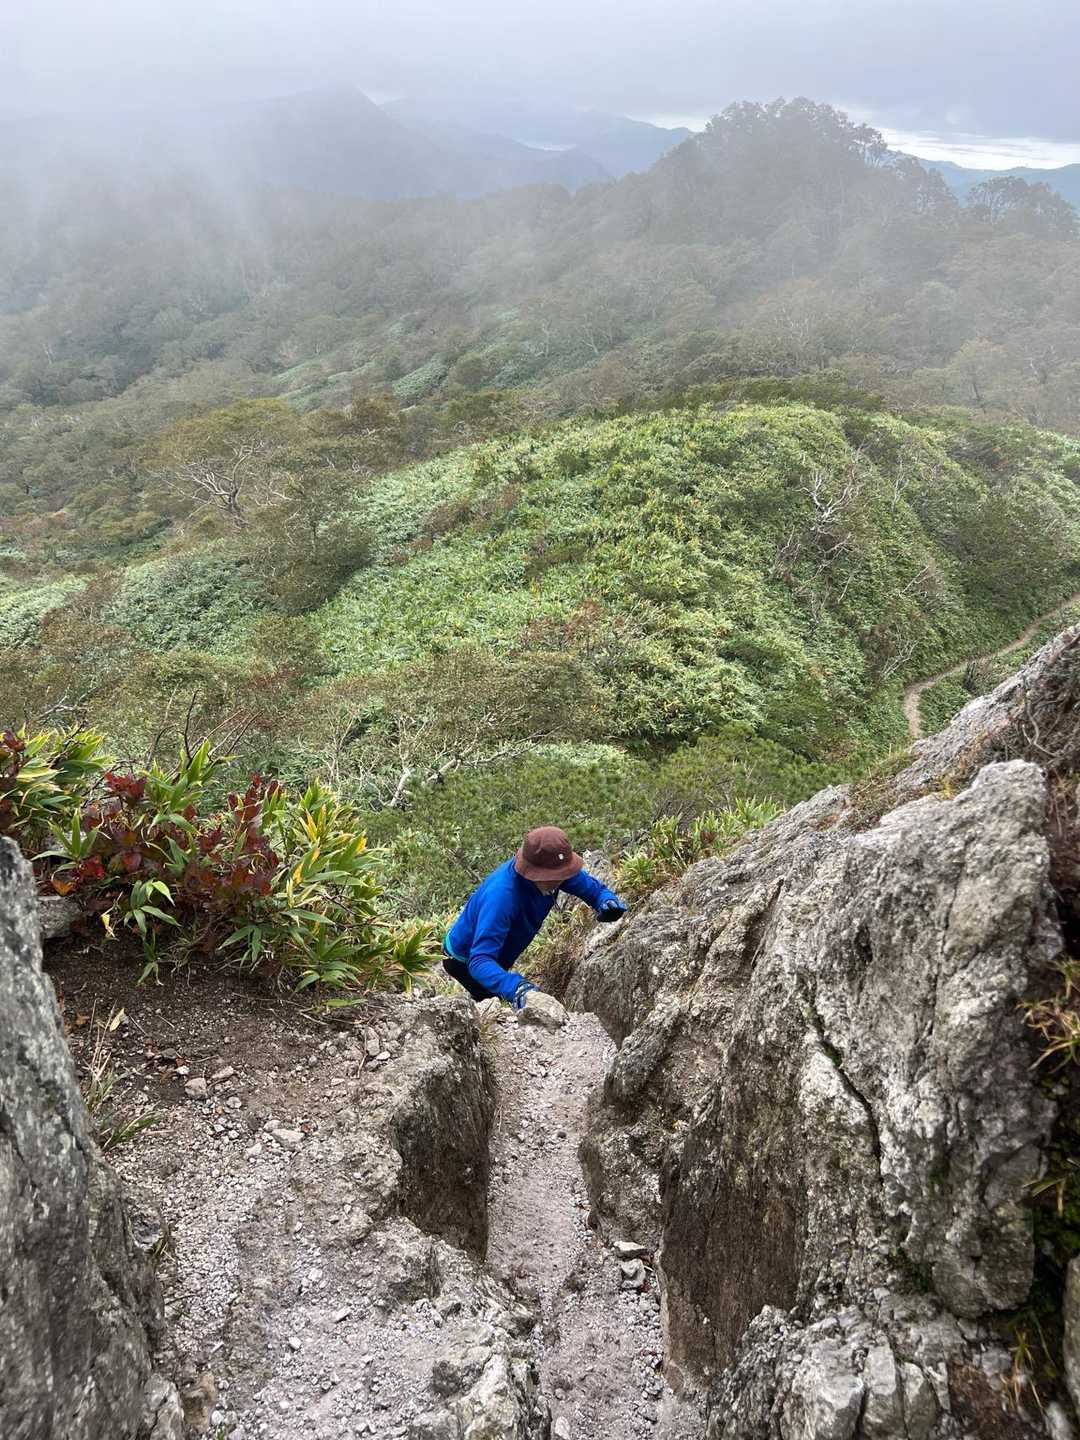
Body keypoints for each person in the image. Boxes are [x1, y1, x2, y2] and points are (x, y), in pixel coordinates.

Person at [442, 825, 628, 1010]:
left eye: (564, 873)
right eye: (556, 876)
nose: (562, 879)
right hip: (463, 959)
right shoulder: (501, 897)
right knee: (498, 1003)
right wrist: (516, 987)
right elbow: (480, 960)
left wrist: (605, 900)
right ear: (534, 872)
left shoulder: (553, 871)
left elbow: (590, 888)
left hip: (497, 951)